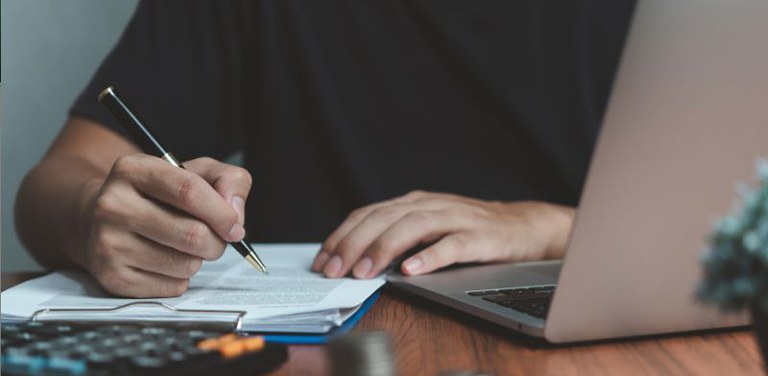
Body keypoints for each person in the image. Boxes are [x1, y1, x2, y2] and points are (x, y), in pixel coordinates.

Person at [15, 0, 635, 298]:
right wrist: (94, 216)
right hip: (288, 369)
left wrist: (552, 230)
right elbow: (55, 181)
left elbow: (724, 225)